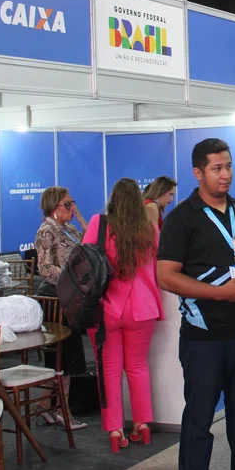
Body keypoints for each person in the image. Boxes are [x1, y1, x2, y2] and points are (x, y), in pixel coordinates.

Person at [158, 138, 235, 470]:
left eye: (227, 166)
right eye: (216, 169)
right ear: (198, 173)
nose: (225, 175)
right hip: (204, 339)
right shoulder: (182, 219)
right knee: (199, 420)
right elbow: (166, 276)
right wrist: (221, 294)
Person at [84, 178, 164, 454]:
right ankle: (142, 424)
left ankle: (116, 429)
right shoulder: (150, 229)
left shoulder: (99, 223)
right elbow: (156, 268)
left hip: (106, 307)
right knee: (138, 367)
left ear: (113, 199)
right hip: (142, 308)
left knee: (109, 370)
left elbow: (85, 262)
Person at [33, 186, 89, 431]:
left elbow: (90, 242)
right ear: (53, 207)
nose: (71, 207)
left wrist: (78, 216)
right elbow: (45, 268)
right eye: (67, 204)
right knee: (62, 354)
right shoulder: (47, 231)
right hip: (56, 297)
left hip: (71, 296)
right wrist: (71, 280)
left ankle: (51, 407)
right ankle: (59, 410)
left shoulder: (69, 229)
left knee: (70, 355)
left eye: (72, 202)